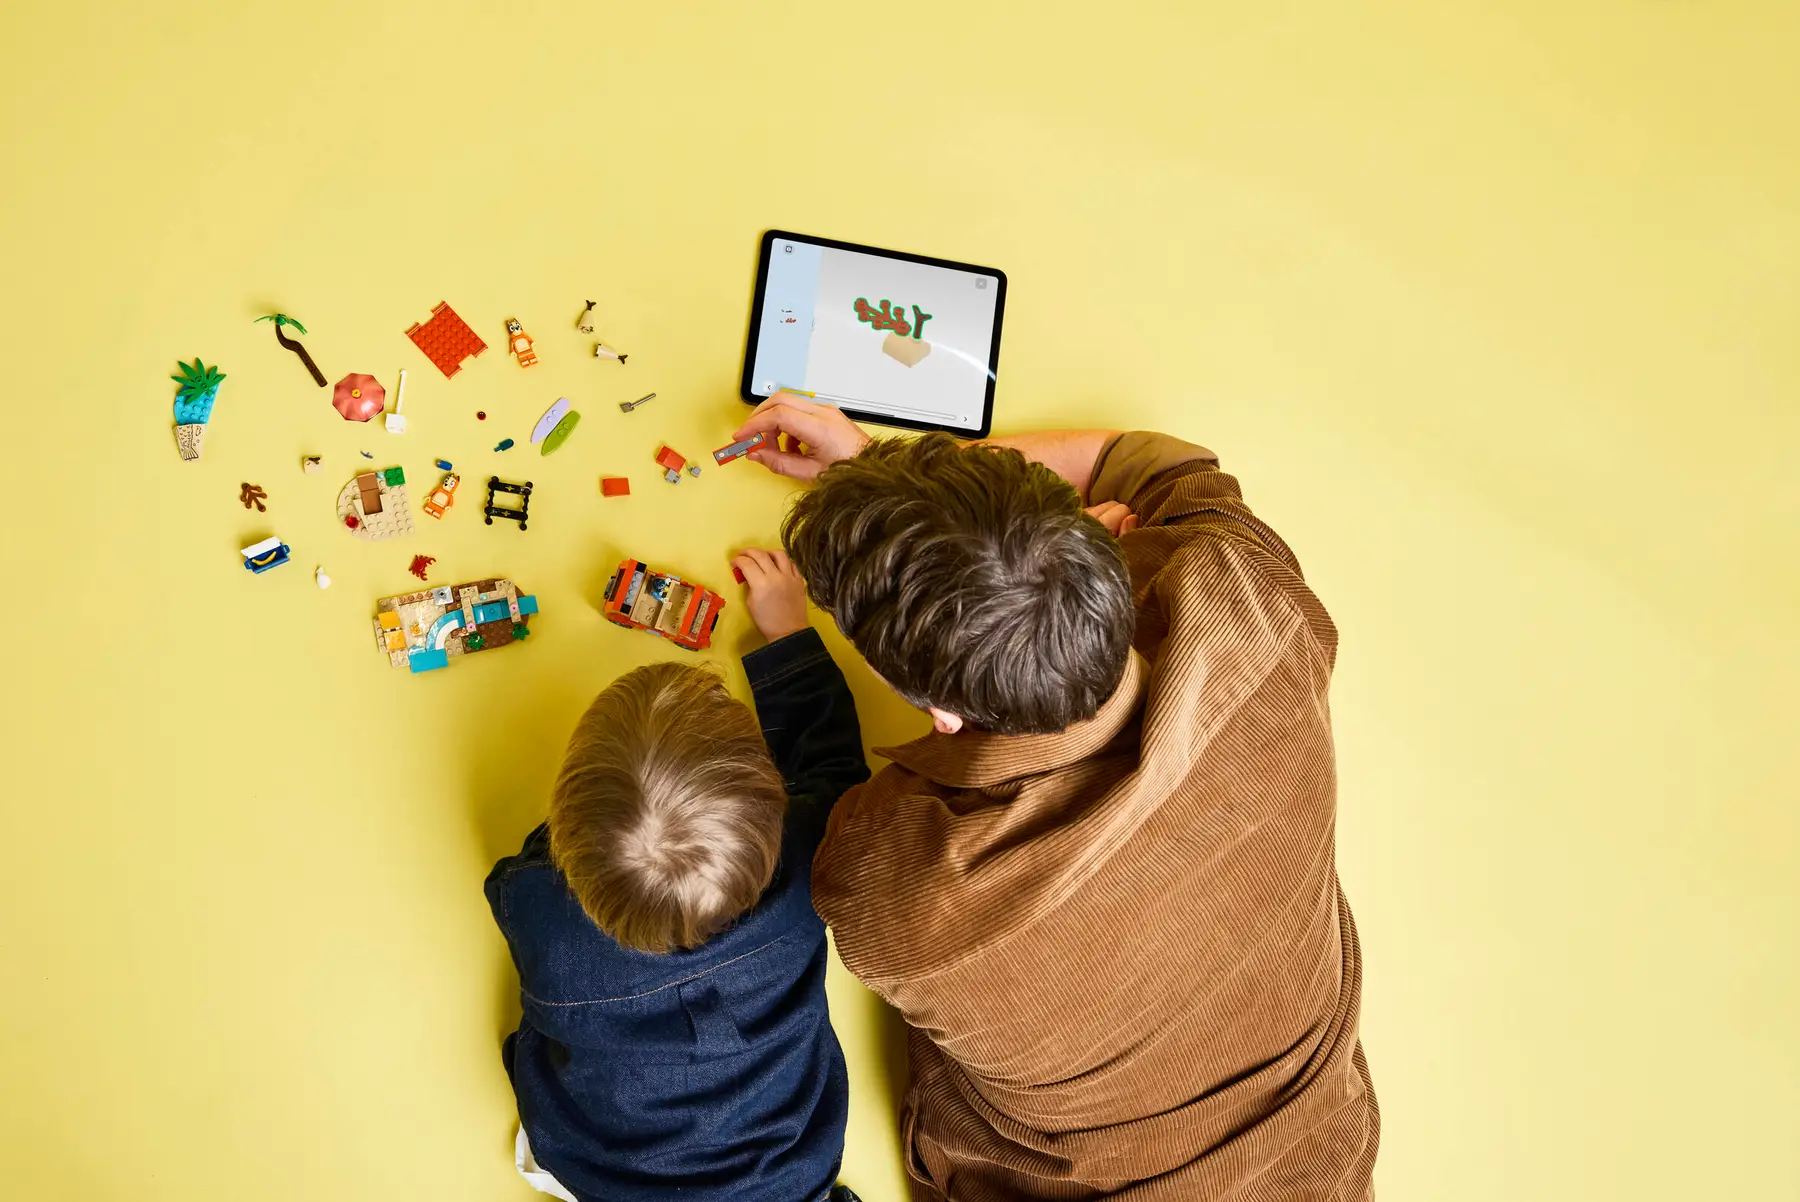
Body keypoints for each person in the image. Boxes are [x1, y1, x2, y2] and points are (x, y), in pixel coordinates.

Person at [729, 395, 1379, 1201]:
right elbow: (1161, 460)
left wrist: (886, 493)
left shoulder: (897, 887)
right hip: (1322, 1159)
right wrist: (887, 479)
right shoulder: (1249, 599)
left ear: (941, 715)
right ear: (1105, 548)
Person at [485, 546, 869, 1202]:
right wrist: (787, 636)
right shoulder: (815, 858)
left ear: (564, 844)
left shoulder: (538, 909)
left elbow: (513, 878)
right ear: (774, 806)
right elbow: (834, 764)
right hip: (786, 1169)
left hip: (602, 1171)